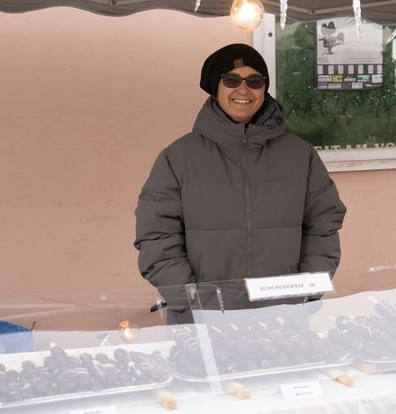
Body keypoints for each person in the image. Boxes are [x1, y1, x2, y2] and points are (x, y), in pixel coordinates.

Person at [135, 44, 346, 321]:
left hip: (283, 318)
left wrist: (305, 291)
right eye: (232, 80)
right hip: (204, 320)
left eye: (255, 81)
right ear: (215, 87)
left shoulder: (300, 155)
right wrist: (191, 297)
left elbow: (323, 225)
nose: (243, 90)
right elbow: (156, 236)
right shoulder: (177, 158)